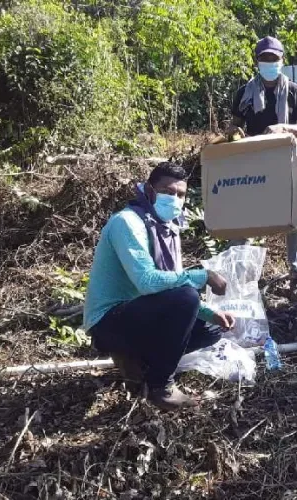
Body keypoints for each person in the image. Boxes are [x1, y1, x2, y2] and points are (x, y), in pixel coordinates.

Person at [82, 162, 236, 411]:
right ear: (150, 191)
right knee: (186, 297)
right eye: (168, 191)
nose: (174, 199)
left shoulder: (167, 229)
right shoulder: (128, 223)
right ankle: (160, 387)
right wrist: (204, 276)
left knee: (210, 329)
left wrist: (211, 313)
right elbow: (148, 282)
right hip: (108, 322)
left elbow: (171, 282)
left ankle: (137, 362)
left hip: (141, 313)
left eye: (181, 194)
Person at [227, 36, 297, 298]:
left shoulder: (294, 91)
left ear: (281, 60)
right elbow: (235, 125)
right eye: (264, 59)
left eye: (273, 59)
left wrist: (284, 127)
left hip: (284, 163)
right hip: (251, 165)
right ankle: (239, 279)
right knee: (244, 220)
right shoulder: (244, 93)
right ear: (257, 61)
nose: (269, 63)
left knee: (292, 220)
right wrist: (234, 132)